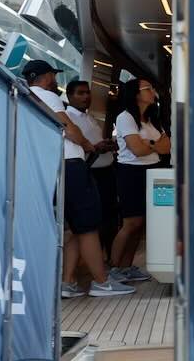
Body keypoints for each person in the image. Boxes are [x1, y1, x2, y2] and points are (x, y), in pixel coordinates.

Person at [25, 61, 131, 298]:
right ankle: (102, 282)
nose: (55, 81)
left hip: (47, 166)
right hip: (71, 165)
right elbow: (69, 129)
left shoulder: (21, 97)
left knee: (74, 227)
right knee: (88, 226)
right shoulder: (46, 96)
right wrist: (87, 145)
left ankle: (68, 282)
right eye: (53, 76)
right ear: (45, 77)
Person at [109, 77, 171, 278]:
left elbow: (167, 147)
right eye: (147, 89)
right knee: (131, 222)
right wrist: (154, 145)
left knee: (141, 223)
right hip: (131, 172)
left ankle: (126, 267)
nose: (152, 92)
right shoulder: (125, 117)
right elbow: (136, 149)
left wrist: (148, 144)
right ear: (135, 94)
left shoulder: (152, 118)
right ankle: (113, 270)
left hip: (154, 170)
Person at [65, 80, 121, 252]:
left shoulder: (90, 118)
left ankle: (109, 256)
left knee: (110, 215)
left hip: (106, 171)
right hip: (90, 173)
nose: (86, 97)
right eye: (80, 93)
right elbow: (71, 147)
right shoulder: (68, 118)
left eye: (87, 92)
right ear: (69, 96)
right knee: (94, 219)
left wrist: (106, 145)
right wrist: (96, 148)